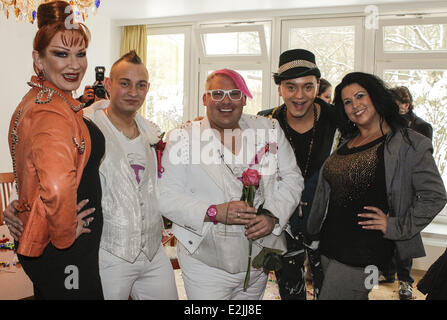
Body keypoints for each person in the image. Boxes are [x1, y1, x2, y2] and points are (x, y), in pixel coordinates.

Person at [5, 51, 178, 300]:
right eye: (125, 83)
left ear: (147, 88)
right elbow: (40, 164)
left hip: (152, 252)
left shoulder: (151, 132)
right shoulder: (82, 126)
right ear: (108, 84)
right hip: (108, 253)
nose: (133, 92)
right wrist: (16, 202)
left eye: (140, 85)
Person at [158, 69, 303, 299]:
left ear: (244, 99)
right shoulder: (182, 137)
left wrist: (273, 215)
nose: (226, 101)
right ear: (205, 99)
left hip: (255, 263)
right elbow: (165, 196)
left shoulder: (269, 129)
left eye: (235, 93)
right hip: (204, 262)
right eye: (217, 93)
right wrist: (214, 212)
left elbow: (292, 178)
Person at [307, 72, 447, 300]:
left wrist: (395, 225)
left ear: (377, 97)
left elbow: (435, 196)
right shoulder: (347, 141)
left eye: (360, 96)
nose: (355, 105)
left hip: (364, 254)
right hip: (329, 247)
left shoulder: (409, 144)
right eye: (347, 102)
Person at [6, 1, 105, 299]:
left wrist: (21, 206)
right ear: (39, 60)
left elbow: (31, 169)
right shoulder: (50, 111)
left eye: (81, 53)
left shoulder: (44, 99)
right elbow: (58, 186)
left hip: (56, 244)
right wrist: (63, 236)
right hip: (66, 252)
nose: (74, 65)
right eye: (61, 54)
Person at [258, 49, 342, 300]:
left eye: (308, 87)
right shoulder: (265, 121)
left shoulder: (337, 119)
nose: (299, 95)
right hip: (283, 222)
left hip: (329, 224)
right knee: (290, 291)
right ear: (280, 89)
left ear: (318, 86)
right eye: (290, 87)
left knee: (330, 291)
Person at [379, 85, 434, 300]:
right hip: (386, 187)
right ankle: (388, 273)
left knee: (405, 235)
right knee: (385, 231)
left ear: (406, 104)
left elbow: (424, 161)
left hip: (409, 190)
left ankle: (405, 281)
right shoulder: (385, 126)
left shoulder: (422, 127)